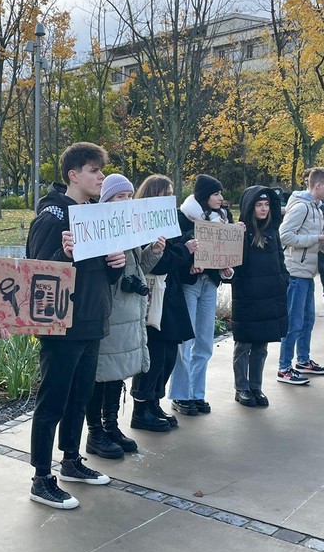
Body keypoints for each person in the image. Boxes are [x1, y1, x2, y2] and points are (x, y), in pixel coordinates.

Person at [25, 143, 125, 509]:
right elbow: (35, 272)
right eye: (94, 171)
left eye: (100, 171)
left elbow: (101, 277)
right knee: (52, 401)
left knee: (79, 398)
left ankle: (70, 460)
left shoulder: (94, 217)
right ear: (74, 175)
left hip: (91, 322)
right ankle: (41, 477)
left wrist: (115, 265)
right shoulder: (53, 217)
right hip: (62, 326)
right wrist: (62, 255)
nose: (101, 177)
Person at [85, 174, 165, 459]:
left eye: (130, 196)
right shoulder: (99, 227)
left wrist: (154, 251)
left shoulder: (127, 228)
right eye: (121, 196)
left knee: (117, 371)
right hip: (111, 310)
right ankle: (95, 431)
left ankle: (111, 425)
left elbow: (138, 267)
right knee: (102, 371)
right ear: (107, 199)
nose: (127, 201)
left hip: (129, 309)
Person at [129, 175, 198, 432]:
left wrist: (189, 265)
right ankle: (141, 407)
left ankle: (154, 402)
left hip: (170, 292)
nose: (171, 198)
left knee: (168, 354)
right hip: (153, 293)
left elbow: (172, 258)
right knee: (154, 354)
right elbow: (157, 261)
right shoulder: (141, 222)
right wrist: (185, 251)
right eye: (166, 193)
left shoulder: (170, 221)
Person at [169, 174, 233, 415]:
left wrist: (226, 267)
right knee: (185, 340)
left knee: (205, 340)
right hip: (190, 283)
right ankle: (180, 394)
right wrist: (189, 264)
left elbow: (225, 252)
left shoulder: (223, 219)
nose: (220, 198)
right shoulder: (183, 217)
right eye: (216, 193)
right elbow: (177, 248)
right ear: (205, 195)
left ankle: (197, 393)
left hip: (211, 283)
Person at [277, 167, 324, 385]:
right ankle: (284, 368)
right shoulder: (301, 207)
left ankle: (303, 360)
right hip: (296, 273)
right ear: (317, 185)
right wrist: (315, 238)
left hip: (306, 274)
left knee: (307, 320)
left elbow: (323, 244)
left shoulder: (316, 208)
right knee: (294, 322)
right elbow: (284, 236)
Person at [231, 187, 288, 407]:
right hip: (247, 295)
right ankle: (241, 387)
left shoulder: (273, 231)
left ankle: (256, 386)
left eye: (266, 205)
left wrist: (284, 278)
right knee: (244, 344)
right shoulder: (242, 232)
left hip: (270, 295)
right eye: (258, 205)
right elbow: (232, 264)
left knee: (261, 345)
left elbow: (280, 259)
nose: (263, 209)